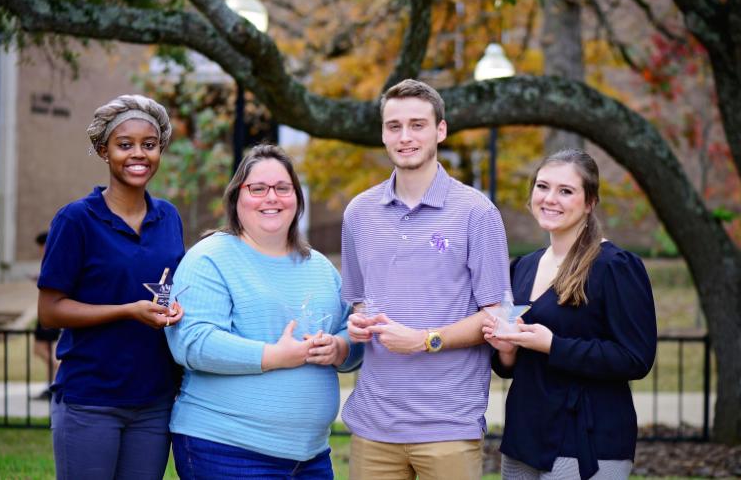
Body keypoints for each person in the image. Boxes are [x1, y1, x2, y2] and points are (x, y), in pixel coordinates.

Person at [341, 79, 510, 480]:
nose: (405, 137)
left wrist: (425, 340)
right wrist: (359, 321)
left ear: (440, 130)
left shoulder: (477, 213)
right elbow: (360, 300)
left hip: (448, 425)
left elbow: (498, 316)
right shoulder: (358, 213)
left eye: (417, 125)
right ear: (383, 134)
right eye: (394, 126)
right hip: (374, 425)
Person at [165, 144, 363, 479]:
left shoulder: (319, 267)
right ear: (236, 198)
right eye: (258, 188)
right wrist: (274, 356)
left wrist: (340, 348)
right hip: (227, 450)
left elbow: (352, 330)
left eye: (282, 188)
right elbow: (193, 342)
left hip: (311, 457)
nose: (271, 197)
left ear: (296, 198)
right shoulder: (209, 259)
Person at [482, 148, 657, 480]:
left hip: (586, 440)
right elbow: (511, 367)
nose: (550, 199)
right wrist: (506, 351)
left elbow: (636, 358)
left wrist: (553, 345)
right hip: (524, 436)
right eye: (543, 186)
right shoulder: (523, 267)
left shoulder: (614, 266)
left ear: (590, 202)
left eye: (566, 191)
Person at [37, 94, 185, 480]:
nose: (138, 154)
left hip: (154, 402)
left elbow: (171, 288)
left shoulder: (169, 217)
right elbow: (49, 311)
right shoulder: (76, 220)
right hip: (91, 399)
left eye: (149, 145)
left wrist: (175, 309)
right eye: (125, 145)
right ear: (104, 151)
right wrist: (127, 311)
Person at [31, 231, 60, 400]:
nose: (40, 250)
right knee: (45, 349)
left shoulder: (53, 257)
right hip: (48, 311)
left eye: (42, 246)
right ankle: (50, 384)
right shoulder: (52, 258)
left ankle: (59, 372)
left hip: (51, 312)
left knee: (40, 349)